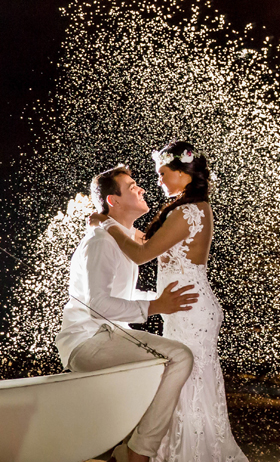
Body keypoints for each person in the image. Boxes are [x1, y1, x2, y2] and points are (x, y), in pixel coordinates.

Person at [97, 141, 248, 462]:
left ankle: (185, 453)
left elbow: (141, 254)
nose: (159, 181)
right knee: (185, 379)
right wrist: (115, 224)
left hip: (190, 309)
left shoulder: (188, 211)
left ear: (183, 173)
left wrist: (108, 225)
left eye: (163, 173)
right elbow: (147, 240)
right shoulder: (188, 207)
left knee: (188, 381)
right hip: (185, 308)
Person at [55, 164, 199, 462]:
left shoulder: (121, 239)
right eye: (132, 187)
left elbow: (122, 297)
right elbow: (99, 306)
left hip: (108, 335)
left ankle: (119, 450)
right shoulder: (101, 242)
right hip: (88, 340)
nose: (141, 188)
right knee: (180, 356)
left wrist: (161, 300)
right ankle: (138, 452)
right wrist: (155, 306)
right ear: (114, 200)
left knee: (164, 365)